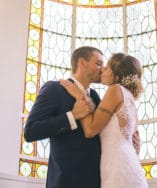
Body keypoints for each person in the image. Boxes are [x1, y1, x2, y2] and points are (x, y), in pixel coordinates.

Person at [60, 53, 149, 188]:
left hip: (116, 165)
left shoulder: (115, 90)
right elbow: (134, 141)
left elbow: (90, 130)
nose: (103, 70)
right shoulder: (129, 98)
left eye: (107, 68)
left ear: (117, 76)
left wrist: (79, 94)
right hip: (129, 163)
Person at [24, 46, 104, 188]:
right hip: (65, 181)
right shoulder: (54, 89)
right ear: (82, 63)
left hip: (96, 181)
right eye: (98, 63)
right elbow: (31, 131)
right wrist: (72, 116)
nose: (102, 69)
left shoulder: (96, 97)